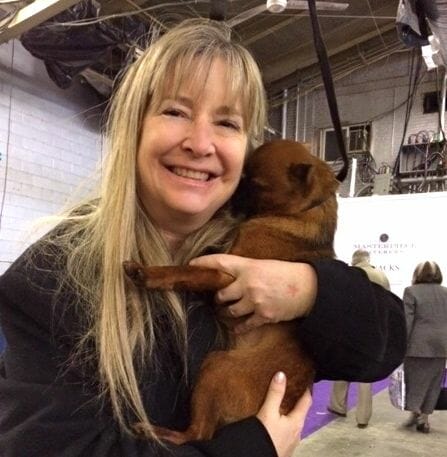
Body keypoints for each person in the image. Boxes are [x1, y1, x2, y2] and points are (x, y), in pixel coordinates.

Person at [0, 18, 406, 457]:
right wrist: (251, 447)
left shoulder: (264, 247)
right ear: (133, 128)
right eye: (175, 112)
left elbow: (384, 345)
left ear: (246, 147)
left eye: (227, 122)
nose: (200, 142)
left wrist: (309, 290)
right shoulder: (49, 277)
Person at [327, 249, 391, 428]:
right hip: (375, 331)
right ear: (368, 260)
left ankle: (338, 405)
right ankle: (363, 418)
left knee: (342, 367)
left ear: (354, 260)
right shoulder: (382, 276)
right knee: (366, 375)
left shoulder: (350, 274)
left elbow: (341, 304)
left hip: (351, 329)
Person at [402, 261, 447, 433]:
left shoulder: (411, 291)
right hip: (441, 346)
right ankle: (424, 418)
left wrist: (401, 345)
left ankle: (416, 412)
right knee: (433, 384)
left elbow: (407, 322)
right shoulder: (445, 292)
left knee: (415, 383)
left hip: (417, 346)